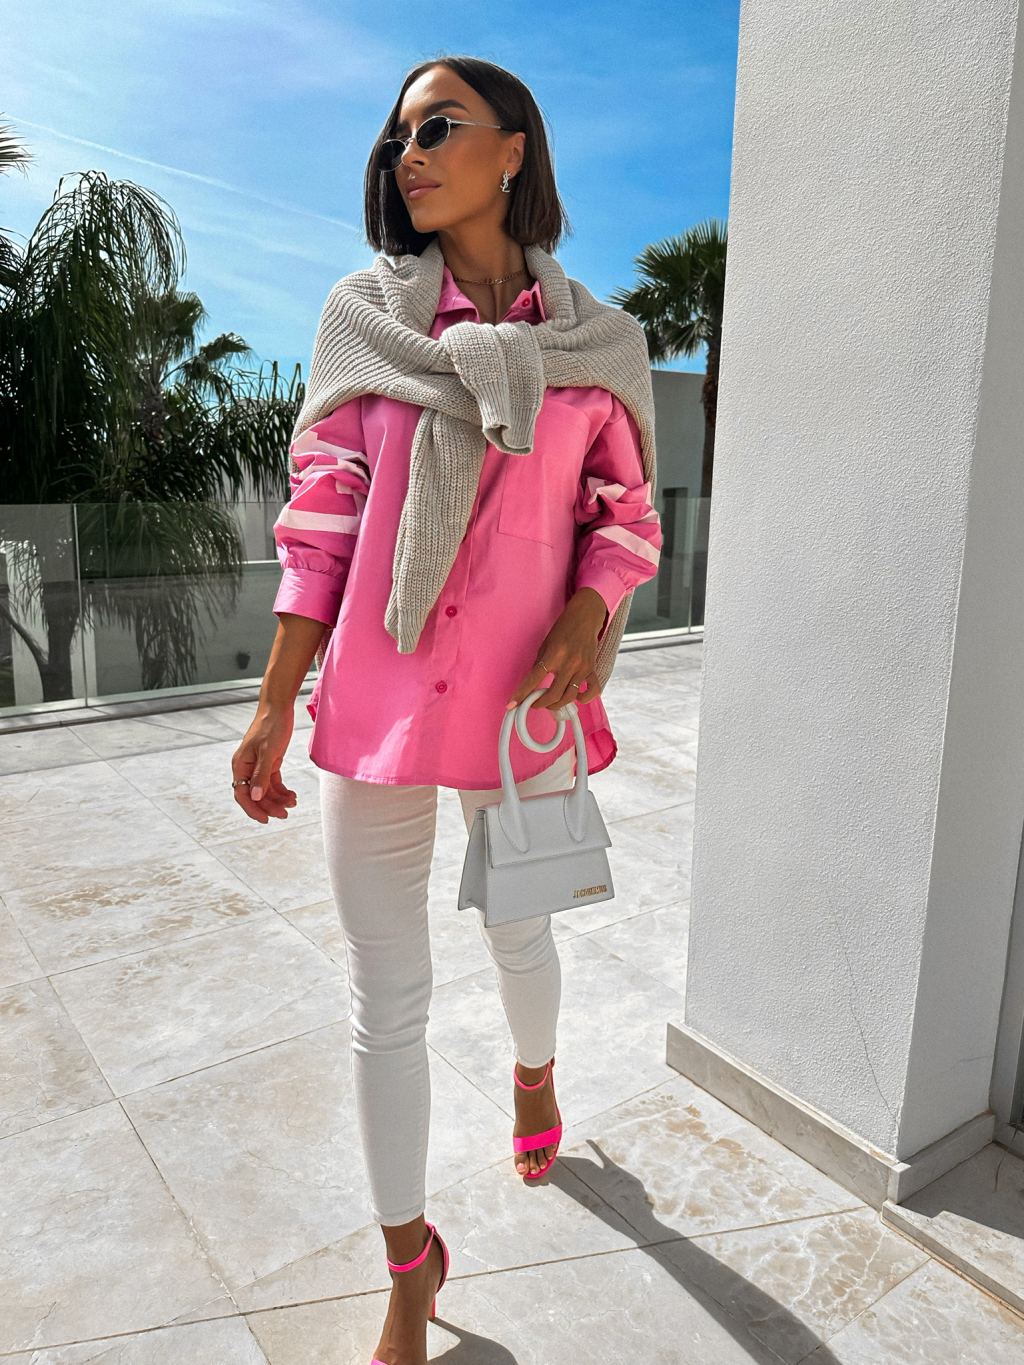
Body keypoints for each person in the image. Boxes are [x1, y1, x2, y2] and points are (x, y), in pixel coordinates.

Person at [231, 55, 660, 1365]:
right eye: (397, 137)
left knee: (521, 935)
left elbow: (625, 515)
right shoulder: (363, 323)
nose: (406, 153)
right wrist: (274, 703)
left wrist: (591, 612)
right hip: (378, 695)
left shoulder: (600, 345)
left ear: (512, 148)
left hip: (522, 703)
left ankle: (535, 1072)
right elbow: (322, 522)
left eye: (437, 128)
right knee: (387, 993)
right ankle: (410, 1263)